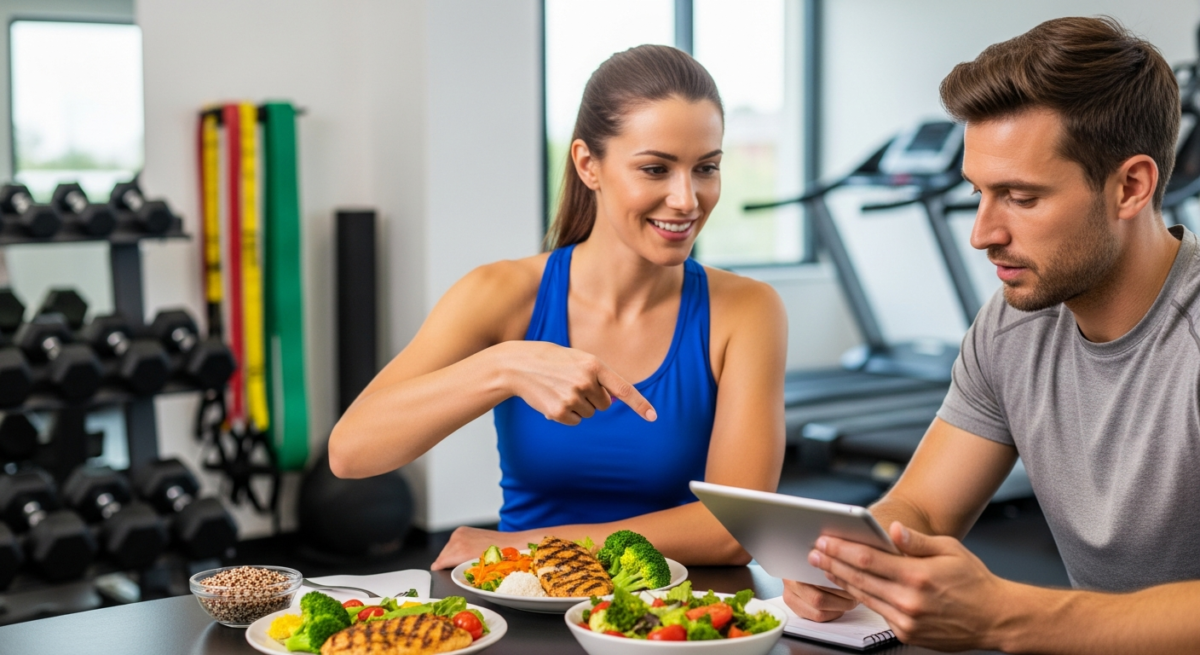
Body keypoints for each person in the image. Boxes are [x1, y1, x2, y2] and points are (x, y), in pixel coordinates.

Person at [784, 17, 1200, 653]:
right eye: (979, 192)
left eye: (1021, 198)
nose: (981, 233)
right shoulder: (1012, 324)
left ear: (1131, 187)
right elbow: (921, 508)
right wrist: (851, 562)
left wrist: (1009, 617)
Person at [328, 45, 786, 570]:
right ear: (589, 164)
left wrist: (525, 547)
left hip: (680, 617)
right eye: (656, 169)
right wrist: (503, 366)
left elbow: (733, 531)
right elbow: (351, 452)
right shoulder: (502, 294)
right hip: (529, 603)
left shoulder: (747, 311)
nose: (687, 198)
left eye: (706, 168)